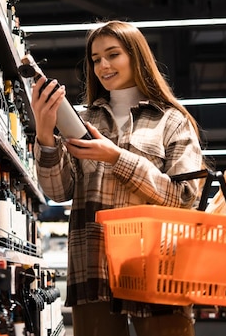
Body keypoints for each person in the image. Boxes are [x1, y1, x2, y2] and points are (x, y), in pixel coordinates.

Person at [31, 20, 204, 336]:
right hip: (92, 267)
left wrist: (115, 157)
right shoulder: (83, 121)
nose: (103, 65)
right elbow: (58, 190)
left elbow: (185, 196)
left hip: (157, 269)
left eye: (113, 54)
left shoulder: (173, 121)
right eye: (96, 59)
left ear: (136, 56)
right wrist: (45, 133)